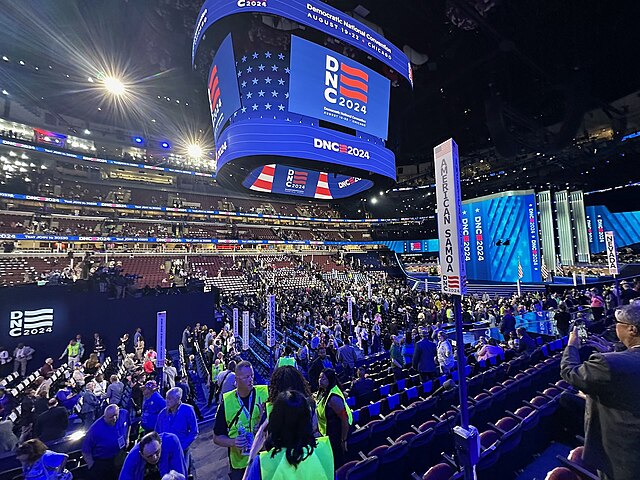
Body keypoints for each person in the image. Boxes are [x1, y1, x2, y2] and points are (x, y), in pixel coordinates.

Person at [560, 304, 640, 480]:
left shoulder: (609, 364)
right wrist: (612, 352)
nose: (614, 326)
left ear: (632, 330)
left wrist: (571, 346)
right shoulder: (614, 360)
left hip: (622, 457)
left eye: (617, 322)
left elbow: (570, 372)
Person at [242, 390, 333, 480]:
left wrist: (252, 456)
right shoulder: (324, 453)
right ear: (307, 421)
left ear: (275, 422)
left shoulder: (262, 463)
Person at [213, 361, 268, 480]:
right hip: (239, 464)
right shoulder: (226, 402)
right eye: (246, 377)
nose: (251, 380)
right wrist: (233, 442)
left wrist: (263, 423)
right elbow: (217, 437)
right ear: (237, 379)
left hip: (263, 456)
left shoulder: (264, 394)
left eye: (252, 376)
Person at [82, 404, 130, 480]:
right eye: (111, 417)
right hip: (103, 461)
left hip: (120, 454)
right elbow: (85, 451)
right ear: (105, 416)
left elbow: (128, 424)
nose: (114, 418)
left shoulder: (124, 413)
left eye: (116, 415)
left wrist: (127, 438)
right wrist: (93, 467)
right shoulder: (94, 430)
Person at [315, 368, 352, 468]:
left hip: (336, 435)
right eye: (319, 378)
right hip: (327, 431)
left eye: (323, 379)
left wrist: (343, 440)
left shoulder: (334, 399)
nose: (320, 380)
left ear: (330, 380)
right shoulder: (324, 392)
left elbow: (344, 419)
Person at [119, 431, 186, 480]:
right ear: (141, 454)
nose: (155, 457)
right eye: (149, 456)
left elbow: (180, 473)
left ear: (161, 443)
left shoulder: (172, 441)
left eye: (157, 452)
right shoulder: (132, 458)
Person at [155, 387, 199, 457]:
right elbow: (157, 432)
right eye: (166, 398)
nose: (167, 401)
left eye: (170, 398)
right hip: (166, 451)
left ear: (178, 399)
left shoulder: (188, 409)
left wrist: (182, 447)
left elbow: (194, 431)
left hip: (182, 450)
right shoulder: (162, 413)